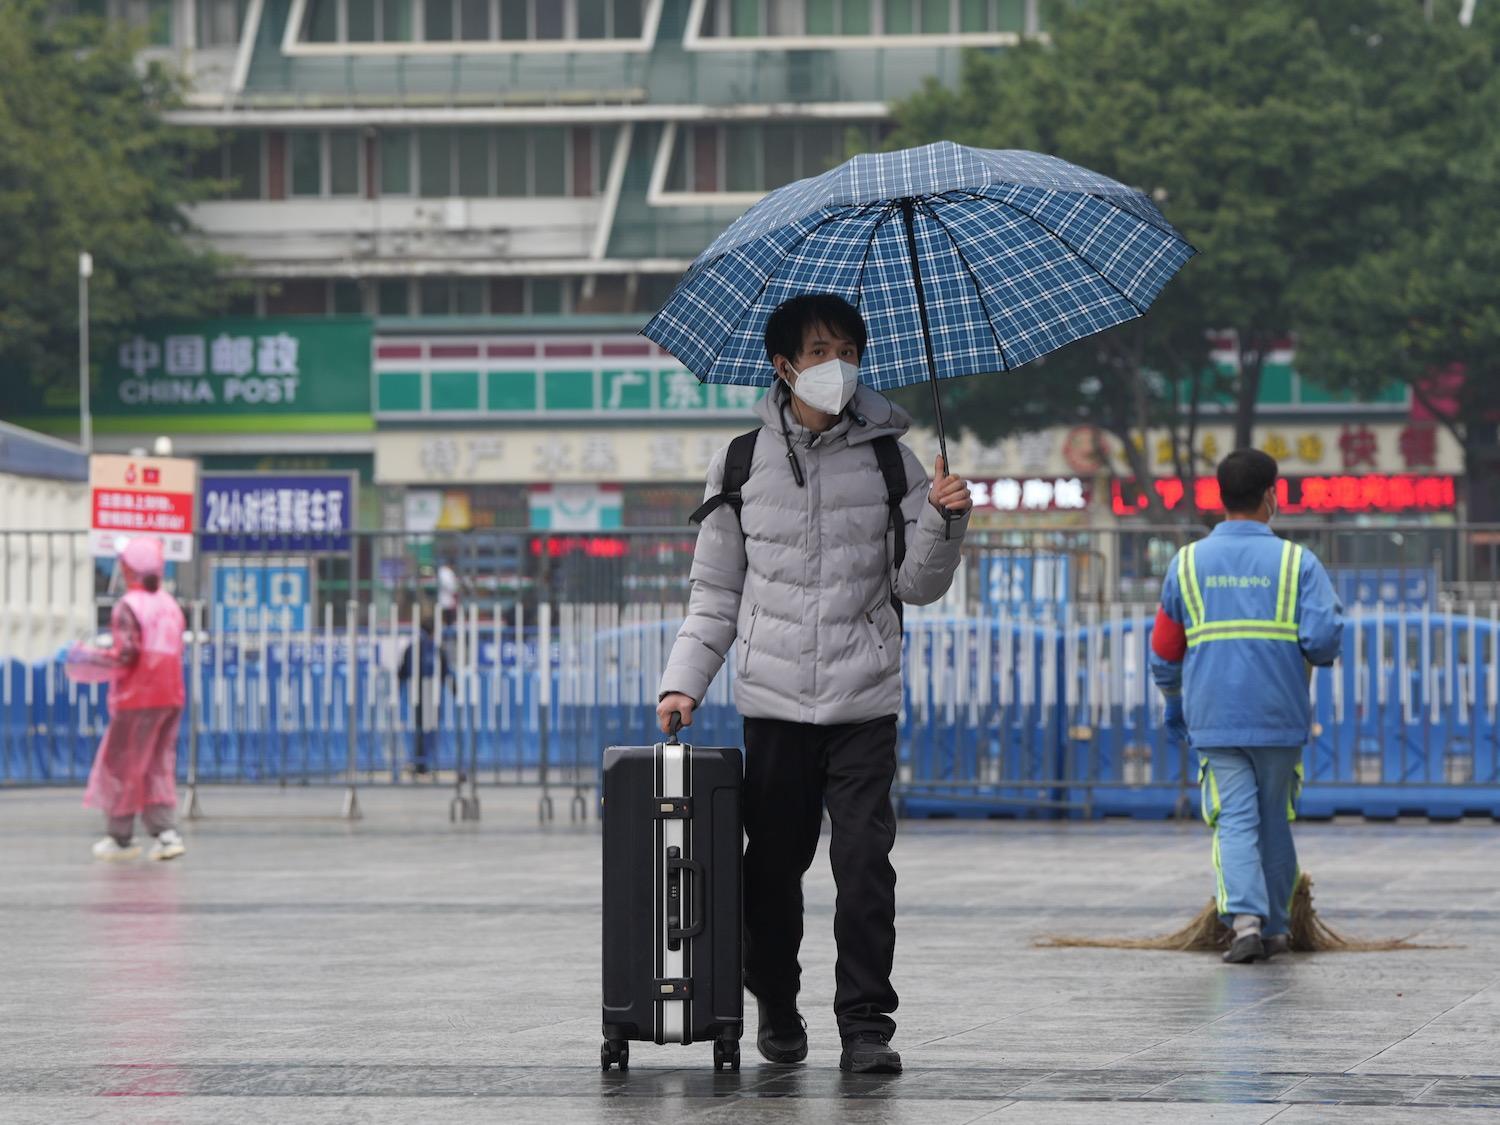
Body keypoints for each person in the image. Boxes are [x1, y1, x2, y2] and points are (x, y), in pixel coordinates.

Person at [656, 293, 973, 1074]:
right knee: (772, 866)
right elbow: (716, 592)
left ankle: (867, 1025)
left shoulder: (892, 458)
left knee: (865, 862)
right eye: (819, 350)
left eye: (846, 349)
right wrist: (683, 682)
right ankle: (776, 1000)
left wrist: (943, 523)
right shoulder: (739, 461)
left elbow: (915, 584)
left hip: (864, 699)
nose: (835, 365)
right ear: (783, 364)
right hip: (773, 703)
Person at [1150, 449, 1344, 964]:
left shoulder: (1187, 563)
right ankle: (1279, 929)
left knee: (1233, 820)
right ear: (1270, 497)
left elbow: (1166, 649)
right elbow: (1323, 641)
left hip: (1213, 718)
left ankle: (1246, 924)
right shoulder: (1298, 563)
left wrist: (1174, 701)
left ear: (1220, 497)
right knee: (1274, 820)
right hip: (1280, 717)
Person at [82, 536, 188, 862]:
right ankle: (166, 833)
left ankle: (120, 837)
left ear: (128, 569)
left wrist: (84, 658)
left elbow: (125, 654)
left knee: (122, 766)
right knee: (158, 764)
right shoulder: (170, 603)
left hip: (137, 698)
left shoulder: (128, 606)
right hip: (170, 695)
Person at [397, 600, 453, 776]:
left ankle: (420, 761)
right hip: (432, 692)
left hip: (417, 691)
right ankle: (426, 761)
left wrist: (399, 690)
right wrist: (453, 689)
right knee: (430, 727)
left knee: (419, 727)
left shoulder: (412, 648)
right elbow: (446, 672)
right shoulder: (436, 650)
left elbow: (402, 672)